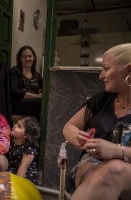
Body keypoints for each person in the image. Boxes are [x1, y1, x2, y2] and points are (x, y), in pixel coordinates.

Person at [63, 43, 131, 200]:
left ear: (129, 70)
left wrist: (117, 151)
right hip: (93, 163)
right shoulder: (101, 99)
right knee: (103, 174)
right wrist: (77, 137)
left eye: (106, 69)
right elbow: (69, 126)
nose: (101, 75)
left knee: (113, 169)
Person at [9, 45, 42, 120]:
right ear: (20, 59)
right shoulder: (15, 71)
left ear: (34, 58)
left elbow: (43, 91)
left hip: (33, 103)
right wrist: (37, 96)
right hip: (18, 103)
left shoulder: (37, 75)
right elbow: (14, 92)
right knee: (41, 103)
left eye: (30, 56)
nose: (27, 59)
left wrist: (41, 93)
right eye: (24, 57)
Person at [6, 116, 40, 184]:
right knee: (6, 176)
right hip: (13, 168)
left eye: (19, 126)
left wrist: (17, 184)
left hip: (25, 169)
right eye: (16, 123)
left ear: (26, 135)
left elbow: (24, 166)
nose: (15, 126)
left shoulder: (29, 148)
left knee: (28, 178)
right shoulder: (9, 140)